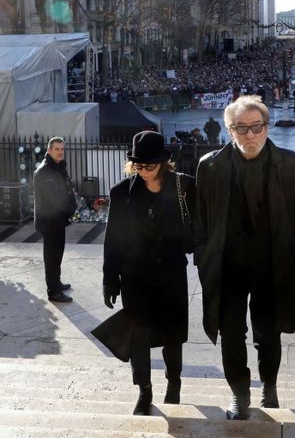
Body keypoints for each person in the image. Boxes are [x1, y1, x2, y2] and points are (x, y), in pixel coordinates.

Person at [194, 95, 295, 420]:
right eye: (241, 128)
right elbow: (200, 222)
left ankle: (269, 388)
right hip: (227, 265)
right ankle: (239, 395)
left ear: (266, 126)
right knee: (231, 333)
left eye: (255, 127)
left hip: (272, 263)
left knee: (269, 332)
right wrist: (204, 260)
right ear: (230, 130)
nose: (249, 135)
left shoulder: (292, 164)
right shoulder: (210, 166)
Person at [98, 131, 195, 416]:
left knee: (173, 333)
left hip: (172, 274)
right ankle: (144, 390)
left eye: (148, 166)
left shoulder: (185, 187)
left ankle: (174, 383)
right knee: (137, 336)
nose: (143, 171)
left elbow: (204, 224)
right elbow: (113, 238)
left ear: (163, 163)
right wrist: (109, 278)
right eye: (138, 166)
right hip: (135, 276)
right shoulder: (121, 193)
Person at [33, 137, 78, 303]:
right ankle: (53, 291)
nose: (60, 152)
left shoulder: (59, 167)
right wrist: (71, 210)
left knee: (58, 254)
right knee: (51, 257)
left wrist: (72, 206)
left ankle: (57, 283)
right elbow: (55, 199)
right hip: (49, 222)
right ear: (49, 150)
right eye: (57, 149)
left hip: (58, 220)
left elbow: (68, 190)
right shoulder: (44, 171)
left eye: (62, 149)